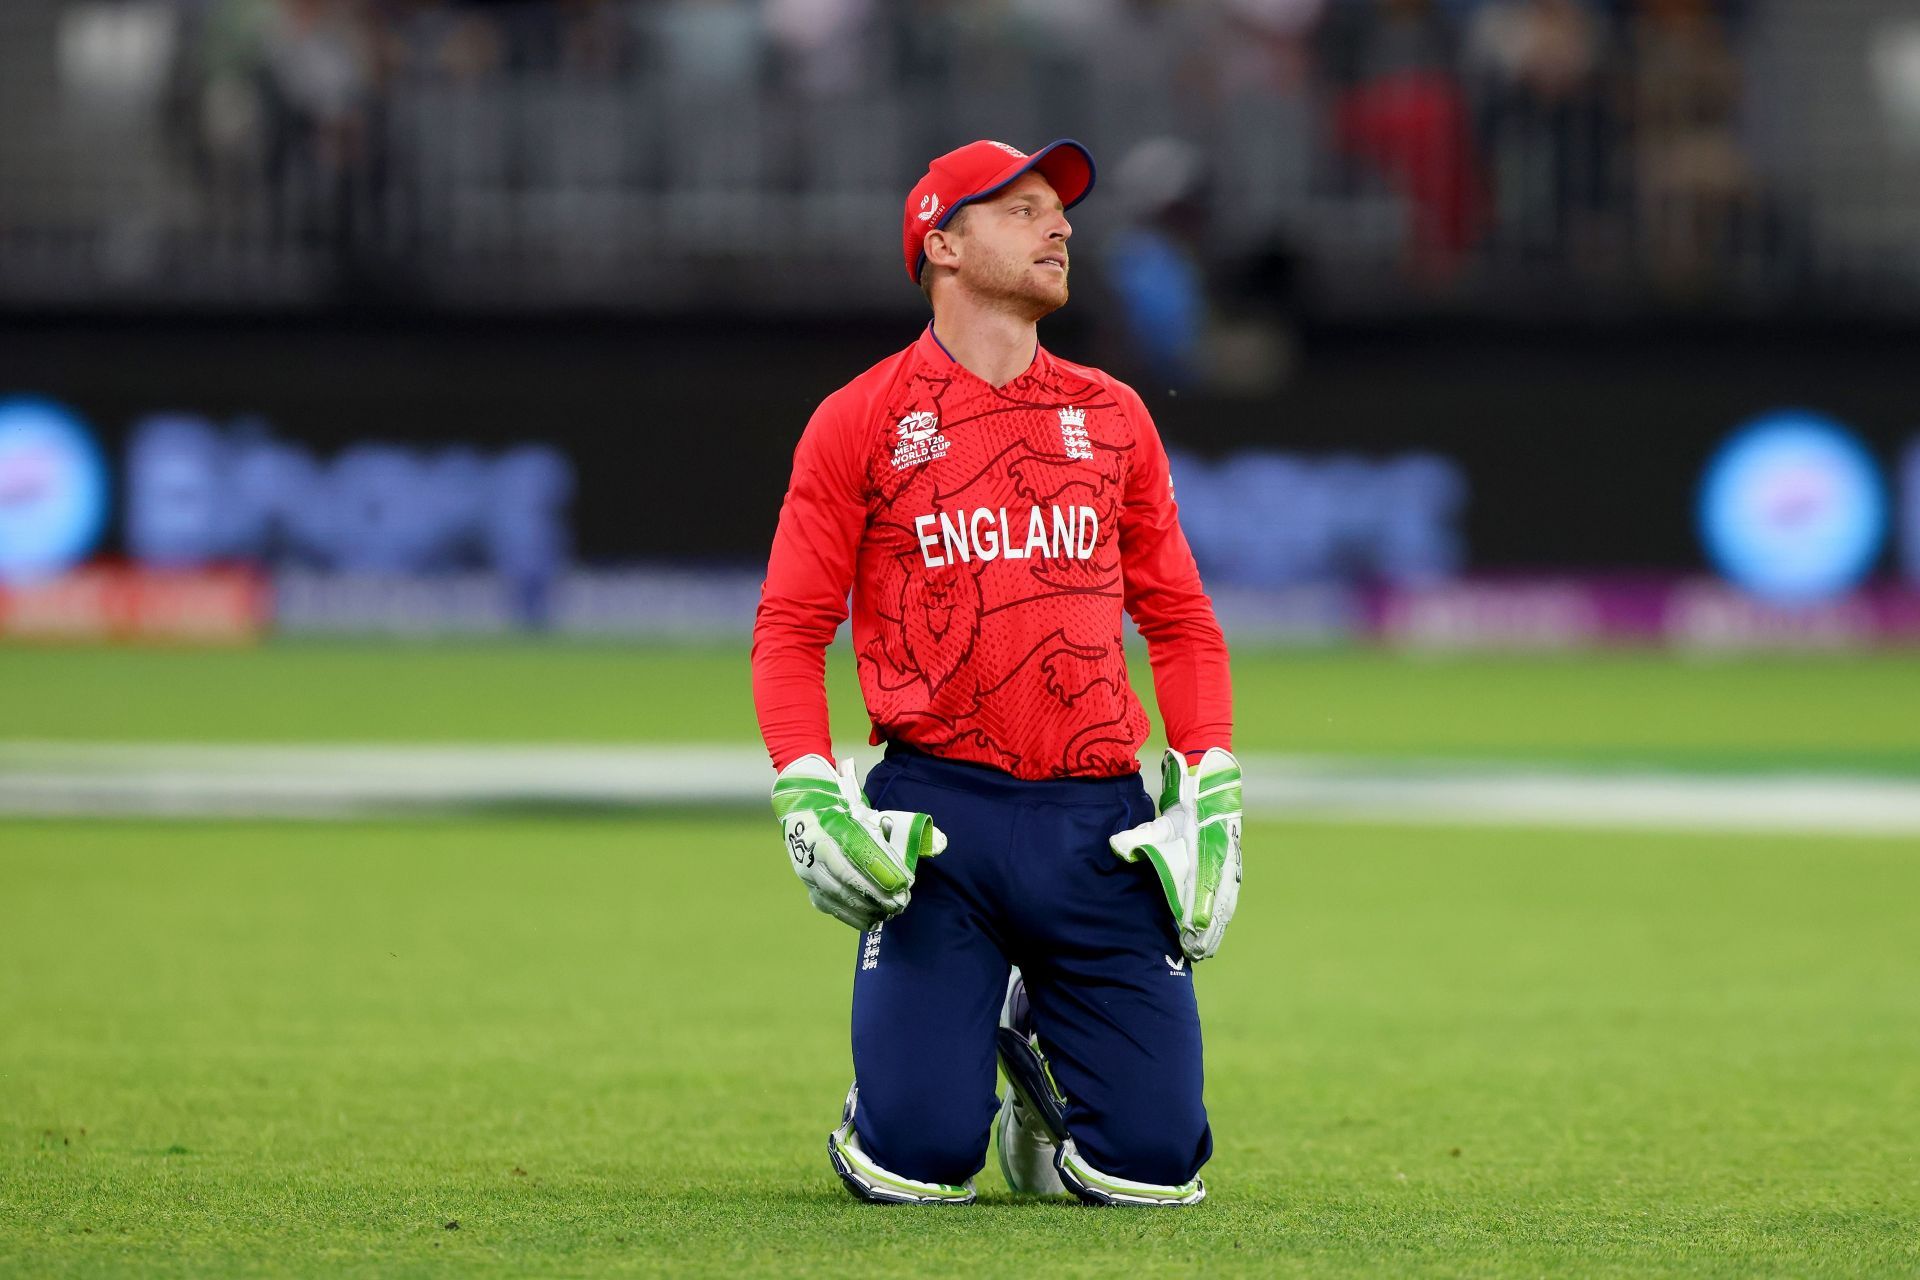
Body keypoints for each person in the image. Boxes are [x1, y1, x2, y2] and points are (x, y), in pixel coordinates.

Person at [751, 138, 1243, 1207]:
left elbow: (1181, 620)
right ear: (943, 242)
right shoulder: (861, 418)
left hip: (1099, 823)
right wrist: (803, 778)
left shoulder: (1115, 414)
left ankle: (1035, 1067)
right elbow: (791, 628)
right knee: (916, 1160)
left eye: (1058, 210)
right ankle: (912, 1087)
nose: (1059, 225)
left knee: (1154, 1166)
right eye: (1022, 209)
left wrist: (1211, 782)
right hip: (940, 817)